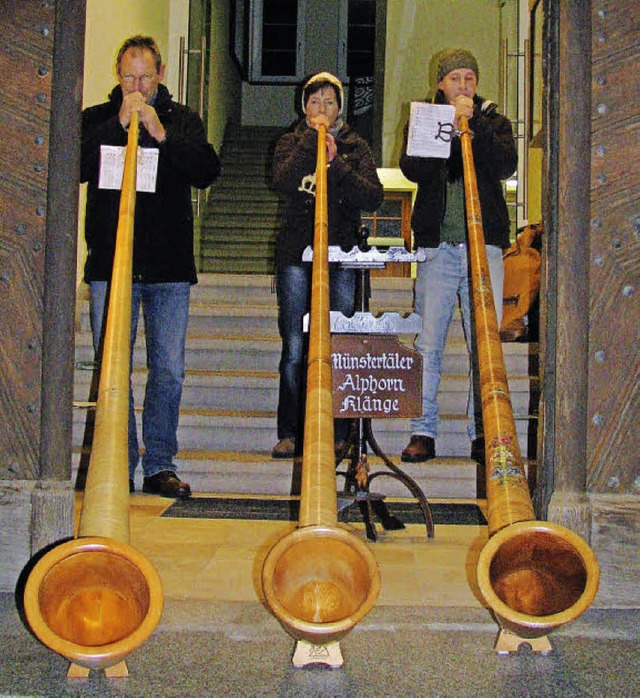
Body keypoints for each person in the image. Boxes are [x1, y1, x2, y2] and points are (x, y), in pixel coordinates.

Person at [81, 35, 221, 497]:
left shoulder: (182, 120)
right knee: (112, 369)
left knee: (168, 369)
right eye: (128, 77)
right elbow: (75, 164)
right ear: (117, 76)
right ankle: (115, 463)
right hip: (110, 265)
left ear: (160, 74)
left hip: (168, 268)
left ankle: (160, 463)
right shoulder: (97, 119)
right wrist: (116, 127)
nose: (136, 85)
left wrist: (161, 134)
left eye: (144, 76)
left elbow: (206, 170)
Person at [399, 49, 517, 466]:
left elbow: (505, 164)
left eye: (470, 77)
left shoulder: (494, 121)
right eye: (455, 78)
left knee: (483, 344)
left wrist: (475, 125)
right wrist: (446, 129)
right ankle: (423, 430)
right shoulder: (427, 119)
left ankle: (483, 432)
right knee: (429, 342)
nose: (464, 85)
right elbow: (411, 168)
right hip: (438, 249)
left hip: (483, 248)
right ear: (441, 84)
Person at [271, 71, 384, 458]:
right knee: (296, 344)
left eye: (330, 102)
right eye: (315, 101)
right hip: (296, 254)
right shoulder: (290, 141)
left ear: (340, 109)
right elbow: (283, 180)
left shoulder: (356, 146)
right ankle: (292, 430)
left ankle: (339, 433)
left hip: (342, 254)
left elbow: (373, 196)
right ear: (304, 107)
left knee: (340, 343)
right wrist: (310, 143)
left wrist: (335, 163)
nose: (322, 108)